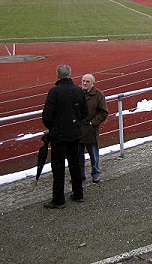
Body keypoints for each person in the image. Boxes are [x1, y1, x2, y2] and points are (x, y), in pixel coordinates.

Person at [41, 64, 88, 208]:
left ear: (57, 75)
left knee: (58, 167)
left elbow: (47, 115)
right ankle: (78, 194)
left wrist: (53, 127)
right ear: (70, 74)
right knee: (75, 164)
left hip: (59, 136)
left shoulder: (54, 92)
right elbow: (84, 112)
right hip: (74, 134)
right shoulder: (78, 91)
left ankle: (58, 199)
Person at [79, 73, 108, 183]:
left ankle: (95, 173)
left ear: (93, 84)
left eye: (87, 81)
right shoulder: (77, 93)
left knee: (94, 154)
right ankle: (80, 174)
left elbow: (104, 112)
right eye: (83, 81)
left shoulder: (99, 95)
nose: (85, 83)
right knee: (78, 155)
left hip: (91, 130)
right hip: (78, 130)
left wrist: (93, 123)